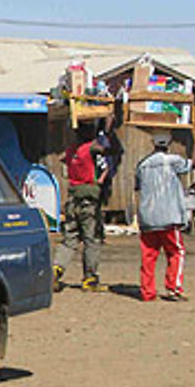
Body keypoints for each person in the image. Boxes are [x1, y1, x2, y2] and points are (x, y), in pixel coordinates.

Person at [134, 129, 195, 302]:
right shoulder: (173, 161)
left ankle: (147, 292)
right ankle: (174, 289)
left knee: (148, 256)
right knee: (176, 252)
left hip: (147, 216)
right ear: (168, 144)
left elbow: (138, 187)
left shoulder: (142, 164)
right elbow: (193, 163)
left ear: (153, 144)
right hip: (168, 215)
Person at [53, 121, 109, 292]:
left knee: (69, 240)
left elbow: (62, 158)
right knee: (92, 239)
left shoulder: (71, 151)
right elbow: (104, 152)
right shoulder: (90, 149)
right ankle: (90, 278)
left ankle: (56, 271)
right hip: (88, 202)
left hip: (73, 200)